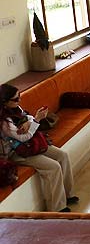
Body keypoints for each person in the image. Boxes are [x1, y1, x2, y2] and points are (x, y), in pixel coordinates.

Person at [0, 83, 78, 212]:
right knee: (53, 167)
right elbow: (23, 137)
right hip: (18, 152)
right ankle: (57, 207)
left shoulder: (16, 108)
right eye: (15, 99)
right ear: (5, 102)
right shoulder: (4, 122)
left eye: (19, 96)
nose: (19, 100)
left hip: (32, 145)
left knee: (62, 155)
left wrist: (28, 121)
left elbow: (28, 116)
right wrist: (36, 120)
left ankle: (68, 195)